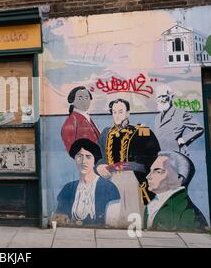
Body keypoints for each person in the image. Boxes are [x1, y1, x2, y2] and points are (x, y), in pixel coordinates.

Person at [96, 99, 160, 227]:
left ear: (128, 113)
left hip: (133, 180)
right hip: (110, 180)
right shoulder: (106, 133)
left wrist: (130, 165)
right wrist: (99, 166)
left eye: (120, 111)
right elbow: (98, 156)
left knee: (133, 216)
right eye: (114, 112)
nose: (117, 115)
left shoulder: (141, 131)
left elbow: (152, 157)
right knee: (112, 215)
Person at [54, 138, 120, 226]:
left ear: (94, 161)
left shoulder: (109, 188)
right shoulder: (68, 188)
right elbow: (59, 217)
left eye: (88, 157)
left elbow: (113, 221)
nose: (83, 161)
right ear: (75, 159)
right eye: (79, 156)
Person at [145, 151, 207, 231]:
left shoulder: (188, 213)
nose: (148, 176)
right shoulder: (152, 205)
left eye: (158, 171)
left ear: (179, 177)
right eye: (151, 171)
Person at [154, 85, 204, 155]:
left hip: (176, 156)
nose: (161, 99)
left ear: (171, 97)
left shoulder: (181, 113)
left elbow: (199, 129)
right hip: (161, 156)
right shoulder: (157, 118)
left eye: (163, 96)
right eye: (158, 97)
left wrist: (184, 139)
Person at [61, 86, 101, 153]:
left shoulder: (86, 117)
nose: (84, 101)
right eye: (80, 98)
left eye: (87, 98)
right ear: (72, 101)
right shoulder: (72, 120)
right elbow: (70, 148)